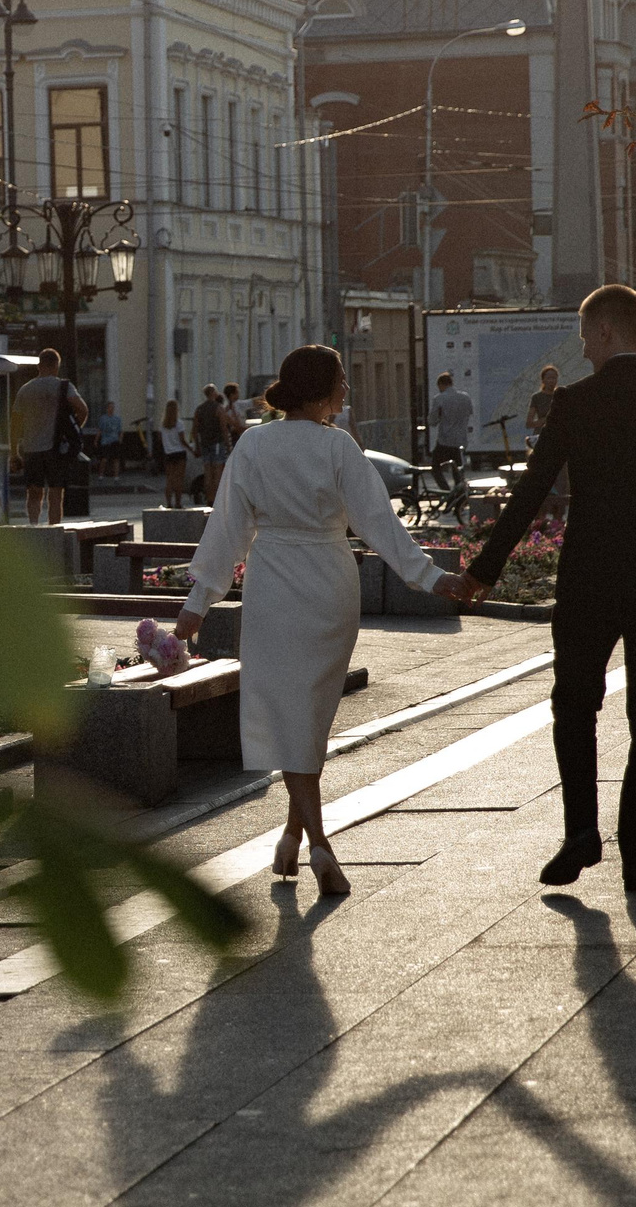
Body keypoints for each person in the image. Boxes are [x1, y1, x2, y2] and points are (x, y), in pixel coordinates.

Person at [445, 285, 636, 894]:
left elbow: (530, 495)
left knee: (574, 704)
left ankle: (581, 833)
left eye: (584, 333)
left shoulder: (575, 404)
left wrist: (482, 571)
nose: (581, 345)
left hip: (590, 579)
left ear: (604, 331)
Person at [174, 345, 463, 899]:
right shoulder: (339, 447)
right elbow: (378, 522)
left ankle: (319, 844)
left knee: (287, 714)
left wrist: (199, 603)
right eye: (341, 382)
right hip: (332, 584)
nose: (347, 392)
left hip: (275, 582)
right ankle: (295, 837)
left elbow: (228, 526)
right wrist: (428, 577)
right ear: (320, 389)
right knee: (309, 717)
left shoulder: (254, 443)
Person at [9, 349, 87, 527]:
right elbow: (83, 409)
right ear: (56, 366)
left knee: (34, 492)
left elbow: (15, 424)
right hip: (56, 448)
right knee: (55, 493)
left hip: (30, 449)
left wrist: (14, 452)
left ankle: (34, 526)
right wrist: (73, 431)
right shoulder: (64, 387)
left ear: (39, 366)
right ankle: (53, 531)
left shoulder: (25, 389)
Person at [527, 364, 571, 522]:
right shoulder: (537, 397)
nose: (552, 380)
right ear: (543, 379)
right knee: (540, 478)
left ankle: (559, 518)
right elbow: (530, 422)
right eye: (549, 377)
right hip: (541, 440)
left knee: (561, 480)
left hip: (559, 441)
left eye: (555, 377)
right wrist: (547, 419)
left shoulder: (562, 395)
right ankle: (541, 518)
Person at [427, 372, 474, 470]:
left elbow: (432, 421)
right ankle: (459, 484)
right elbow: (470, 412)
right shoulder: (465, 397)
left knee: (435, 467)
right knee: (458, 469)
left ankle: (445, 486)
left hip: (445, 440)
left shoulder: (439, 399)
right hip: (461, 439)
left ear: (441, 385)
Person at [190, 387, 228, 504]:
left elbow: (195, 429)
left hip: (204, 443)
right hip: (217, 443)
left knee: (207, 472)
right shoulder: (218, 408)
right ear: (213, 393)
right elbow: (223, 428)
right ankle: (216, 499)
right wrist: (228, 444)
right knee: (217, 472)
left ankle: (209, 498)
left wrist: (197, 445)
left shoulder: (199, 409)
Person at [159, 399, 189, 507]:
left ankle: (168, 503)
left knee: (169, 479)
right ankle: (178, 503)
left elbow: (161, 439)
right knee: (179, 479)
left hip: (168, 453)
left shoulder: (163, 425)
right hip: (179, 453)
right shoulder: (179, 424)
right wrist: (191, 449)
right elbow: (182, 440)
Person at [96, 401, 125, 479]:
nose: (111, 409)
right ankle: (101, 474)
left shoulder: (117, 419)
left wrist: (120, 440)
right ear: (107, 408)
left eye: (113, 407)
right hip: (105, 441)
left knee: (116, 459)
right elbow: (100, 430)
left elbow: (120, 431)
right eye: (110, 407)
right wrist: (96, 440)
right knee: (104, 459)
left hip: (115, 440)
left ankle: (116, 476)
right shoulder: (103, 418)